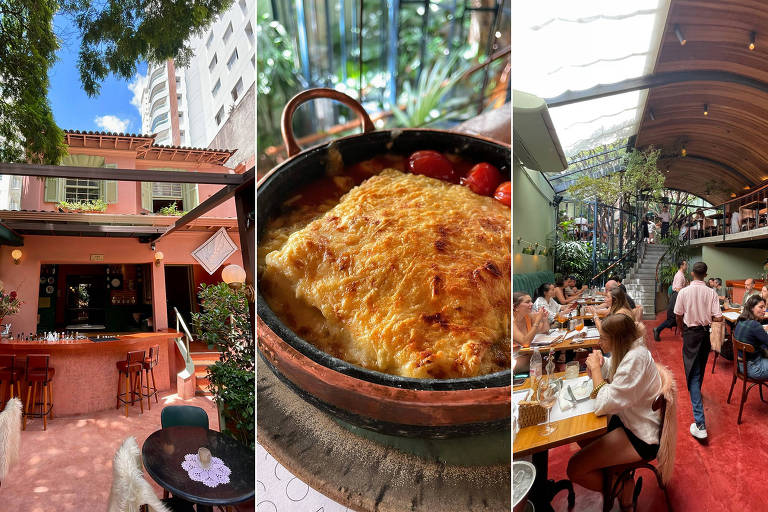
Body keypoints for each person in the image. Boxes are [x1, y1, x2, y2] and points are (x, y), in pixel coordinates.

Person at [566, 314, 662, 510]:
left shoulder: (636, 358)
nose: (599, 343)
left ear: (616, 340)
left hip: (641, 435)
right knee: (582, 437)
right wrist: (603, 363)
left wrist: (596, 370)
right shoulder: (632, 350)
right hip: (628, 420)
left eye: (603, 339)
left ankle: (624, 489)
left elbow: (604, 403)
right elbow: (619, 373)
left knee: (575, 469)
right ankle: (619, 478)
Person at [674, 261, 722, 440]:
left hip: (690, 334)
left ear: (692, 274)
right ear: (706, 275)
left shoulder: (684, 292)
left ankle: (700, 423)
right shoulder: (712, 292)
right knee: (700, 367)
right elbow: (717, 317)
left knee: (692, 372)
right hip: (705, 335)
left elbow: (678, 315)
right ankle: (697, 391)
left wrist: (682, 331)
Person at [734, 295, 768, 378]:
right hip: (753, 368)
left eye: (765, 307)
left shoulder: (741, 320)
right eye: (761, 307)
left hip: (740, 365)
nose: (764, 310)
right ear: (752, 308)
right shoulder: (755, 325)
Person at [653, 260, 688, 341]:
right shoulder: (680, 275)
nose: (686, 266)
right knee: (672, 319)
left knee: (675, 319)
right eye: (685, 264)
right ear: (681, 266)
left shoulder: (680, 274)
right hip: (676, 297)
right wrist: (686, 290)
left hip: (676, 297)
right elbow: (678, 289)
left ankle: (683, 333)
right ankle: (657, 329)